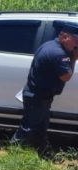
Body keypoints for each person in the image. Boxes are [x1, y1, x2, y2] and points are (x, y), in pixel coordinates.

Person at [11, 21, 78, 157]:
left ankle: (44, 155)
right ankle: (13, 153)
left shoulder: (50, 45)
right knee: (28, 128)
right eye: (76, 41)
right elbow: (66, 76)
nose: (77, 45)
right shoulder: (58, 53)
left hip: (38, 96)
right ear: (65, 37)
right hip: (38, 97)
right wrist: (74, 58)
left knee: (40, 129)